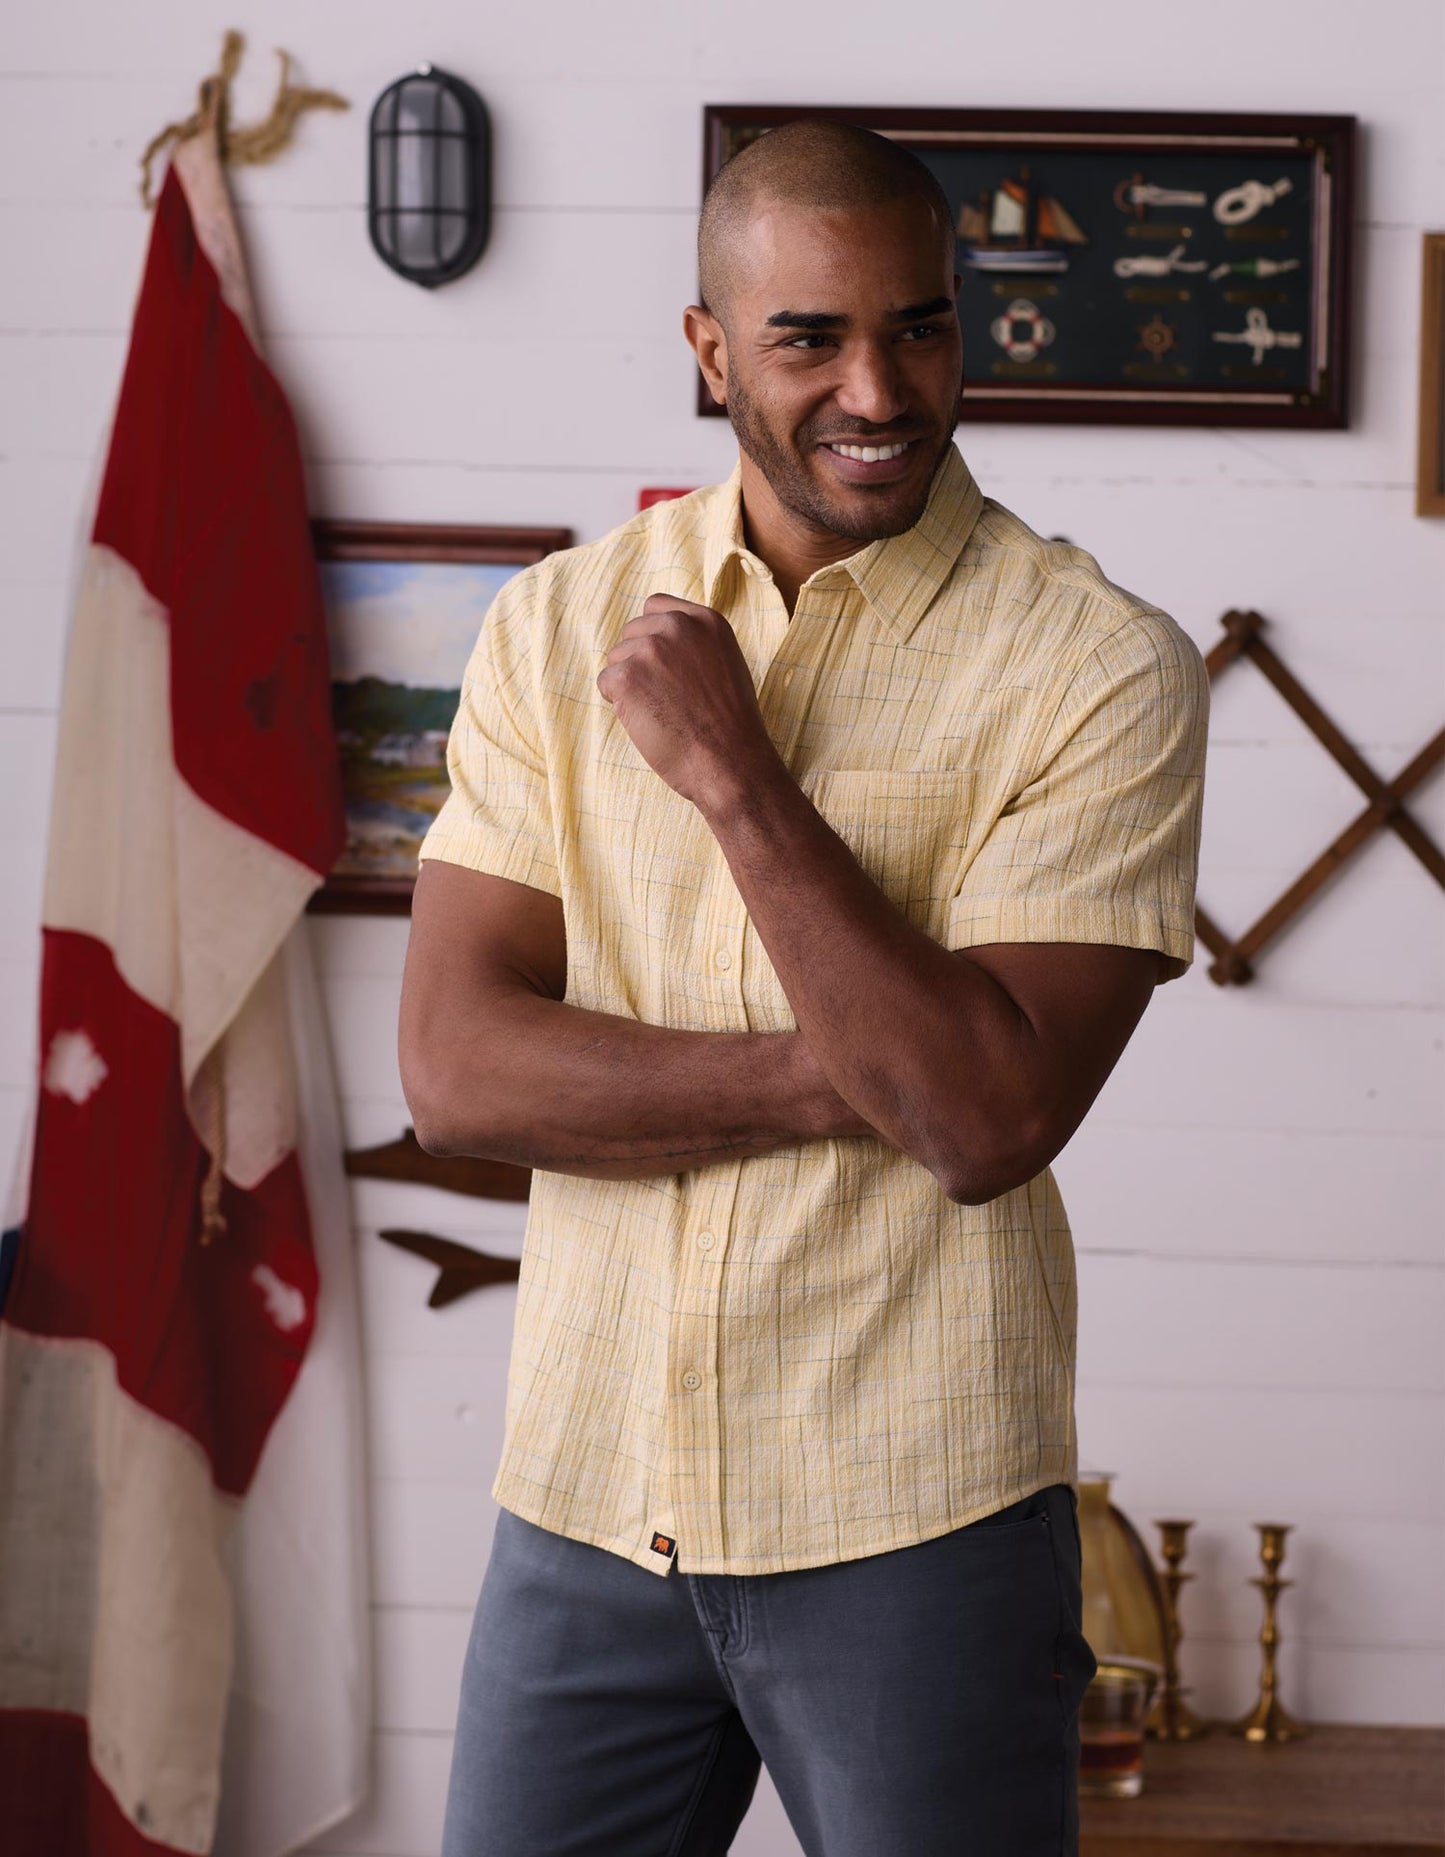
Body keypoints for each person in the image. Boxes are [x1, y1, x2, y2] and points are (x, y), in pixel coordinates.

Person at [400, 119, 1208, 1857]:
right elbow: (457, 1073)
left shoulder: (1099, 667)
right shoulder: (553, 627)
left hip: (917, 1521)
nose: (877, 388)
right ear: (709, 349)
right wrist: (849, 1071)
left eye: (918, 326)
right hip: (586, 1501)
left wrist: (735, 777)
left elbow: (982, 1121)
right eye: (808, 338)